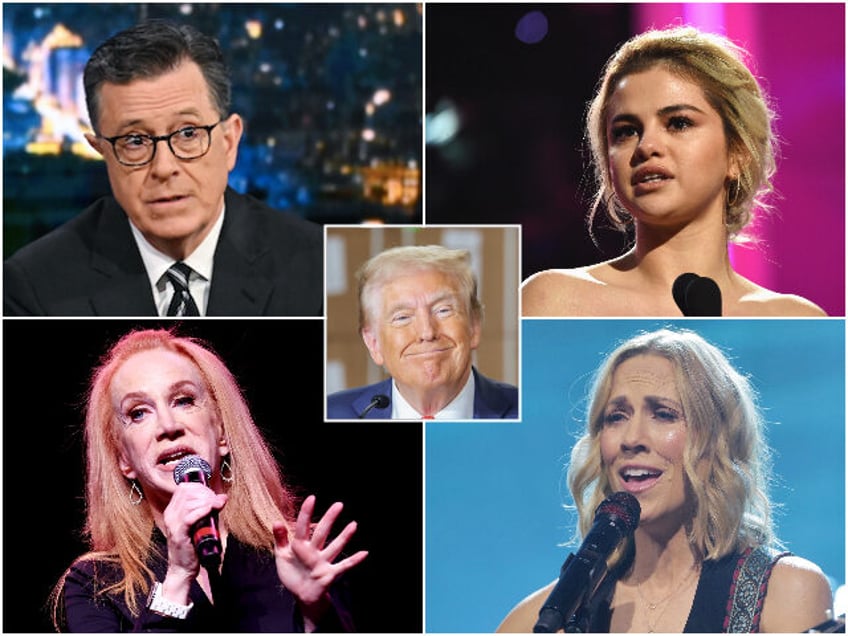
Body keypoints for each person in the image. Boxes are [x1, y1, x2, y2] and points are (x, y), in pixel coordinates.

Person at [496, 328, 834, 633]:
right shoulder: (534, 621)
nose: (632, 438)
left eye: (663, 414)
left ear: (715, 438)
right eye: (616, 417)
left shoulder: (782, 592)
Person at [49, 327, 367, 631]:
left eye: (184, 401)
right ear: (124, 460)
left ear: (222, 433)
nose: (168, 426)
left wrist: (315, 613)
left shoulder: (301, 555)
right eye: (138, 413)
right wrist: (176, 578)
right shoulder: (95, 584)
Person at [4, 19, 322, 317]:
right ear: (102, 152)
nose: (164, 167)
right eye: (135, 141)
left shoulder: (317, 268)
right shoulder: (36, 289)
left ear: (228, 142)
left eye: (188, 134)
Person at [521, 25, 827, 317]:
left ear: (738, 153)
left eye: (678, 123)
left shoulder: (798, 321)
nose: (646, 146)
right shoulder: (551, 303)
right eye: (626, 131)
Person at [327, 244, 518, 420]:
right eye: (402, 317)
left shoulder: (528, 412)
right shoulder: (332, 414)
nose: (427, 332)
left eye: (443, 310)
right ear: (373, 343)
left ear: (474, 326)